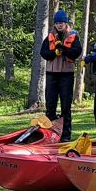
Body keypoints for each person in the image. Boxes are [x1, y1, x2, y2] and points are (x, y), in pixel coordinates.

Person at [39, 9, 82, 139]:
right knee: (50, 105)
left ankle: (65, 135)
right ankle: (49, 134)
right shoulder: (50, 37)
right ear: (55, 24)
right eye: (57, 23)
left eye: (62, 22)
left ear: (66, 23)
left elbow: (77, 51)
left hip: (66, 75)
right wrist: (54, 53)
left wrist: (65, 50)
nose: (59, 25)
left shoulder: (73, 36)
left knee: (65, 106)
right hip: (52, 74)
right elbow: (43, 53)